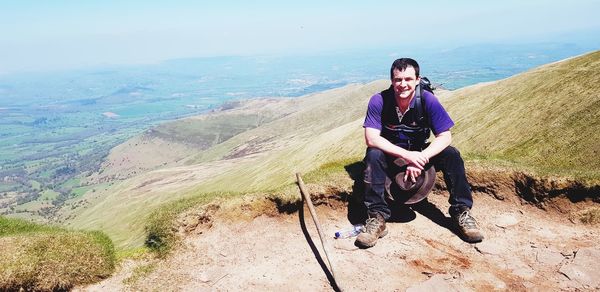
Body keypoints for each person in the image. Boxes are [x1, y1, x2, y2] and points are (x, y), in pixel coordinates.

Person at [355, 58, 483, 248]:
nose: (403, 84)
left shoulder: (427, 100)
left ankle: (461, 211)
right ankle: (377, 218)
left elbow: (445, 136)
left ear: (417, 79)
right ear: (391, 81)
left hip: (420, 151)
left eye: (408, 79)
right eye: (398, 80)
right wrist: (409, 157)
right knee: (373, 154)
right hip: (391, 155)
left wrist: (420, 158)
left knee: (451, 155)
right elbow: (372, 139)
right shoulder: (379, 101)